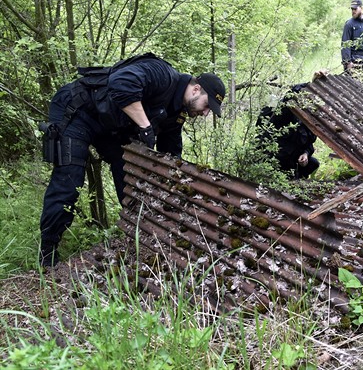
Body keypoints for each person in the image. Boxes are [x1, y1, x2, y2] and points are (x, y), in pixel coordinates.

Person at [39, 53, 225, 267]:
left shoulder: (176, 114)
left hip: (109, 125)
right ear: (195, 90)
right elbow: (120, 83)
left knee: (131, 176)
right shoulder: (163, 75)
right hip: (79, 110)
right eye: (207, 105)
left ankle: (138, 236)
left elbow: (170, 156)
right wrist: (145, 126)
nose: (205, 113)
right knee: (69, 180)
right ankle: (47, 254)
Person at [257, 71, 327, 180]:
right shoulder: (290, 106)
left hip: (293, 156)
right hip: (278, 157)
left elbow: (309, 140)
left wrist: (305, 153)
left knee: (313, 164)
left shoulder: (315, 113)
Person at [341, 0, 363, 72]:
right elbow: (345, 44)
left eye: (355, 9)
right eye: (352, 9)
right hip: (353, 59)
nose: (353, 11)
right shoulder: (349, 24)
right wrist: (347, 62)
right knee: (351, 82)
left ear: (361, 8)